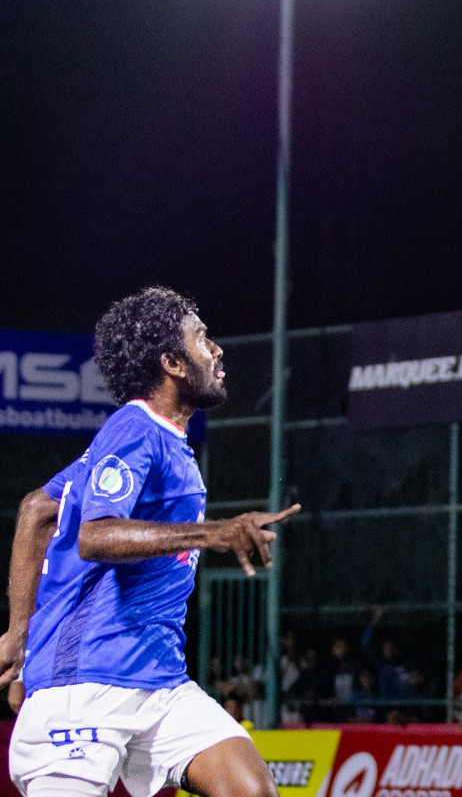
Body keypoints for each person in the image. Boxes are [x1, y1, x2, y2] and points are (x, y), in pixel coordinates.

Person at [0, 287, 298, 797]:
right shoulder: (134, 427)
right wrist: (216, 533)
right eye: (202, 339)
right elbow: (94, 536)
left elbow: (37, 509)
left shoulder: (160, 441)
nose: (217, 350)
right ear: (172, 363)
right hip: (85, 681)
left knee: (253, 791)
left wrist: (16, 635)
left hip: (157, 680)